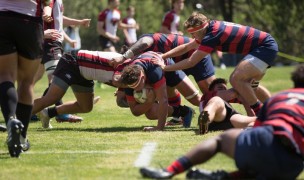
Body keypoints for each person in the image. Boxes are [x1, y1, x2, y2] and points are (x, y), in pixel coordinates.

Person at [139, 64, 304, 179]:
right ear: (211, 90)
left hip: (239, 124)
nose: (222, 89)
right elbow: (225, 97)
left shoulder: (281, 97)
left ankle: (172, 171)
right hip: (291, 161)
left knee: (241, 135)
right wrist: (242, 87)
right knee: (218, 103)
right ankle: (206, 118)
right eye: (219, 87)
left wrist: (245, 96)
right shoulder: (211, 96)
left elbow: (260, 117)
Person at [157, 12, 278, 116]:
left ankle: (260, 114)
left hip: (264, 47)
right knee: (251, 85)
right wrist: (162, 56)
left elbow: (191, 61)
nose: (191, 36)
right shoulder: (210, 28)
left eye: (193, 33)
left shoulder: (212, 35)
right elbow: (186, 47)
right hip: (265, 45)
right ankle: (276, 110)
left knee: (236, 79)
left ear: (200, 29)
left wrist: (165, 68)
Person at [0, 1, 51, 157]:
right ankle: (21, 137)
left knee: (5, 76)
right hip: (29, 21)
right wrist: (47, 8)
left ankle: (10, 121)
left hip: (2, 18)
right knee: (26, 81)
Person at [32, 50, 125, 129]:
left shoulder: (128, 66)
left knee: (86, 107)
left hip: (85, 74)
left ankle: (48, 113)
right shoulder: (125, 65)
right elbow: (121, 100)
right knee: (52, 98)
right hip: (72, 62)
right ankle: (18, 116)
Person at [39, 0, 91, 123]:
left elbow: (59, 19)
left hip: (48, 42)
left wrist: (79, 22)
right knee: (55, 80)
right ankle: (57, 113)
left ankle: (32, 109)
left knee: (31, 81)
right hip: (50, 43)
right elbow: (46, 12)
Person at [120, 51, 195, 131]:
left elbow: (163, 100)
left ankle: (208, 116)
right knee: (151, 113)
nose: (136, 90)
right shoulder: (128, 79)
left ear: (142, 77)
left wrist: (159, 127)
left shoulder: (154, 71)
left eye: (137, 86)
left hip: (167, 67)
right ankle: (184, 112)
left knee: (195, 98)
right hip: (149, 71)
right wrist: (149, 101)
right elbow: (135, 111)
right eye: (132, 87)